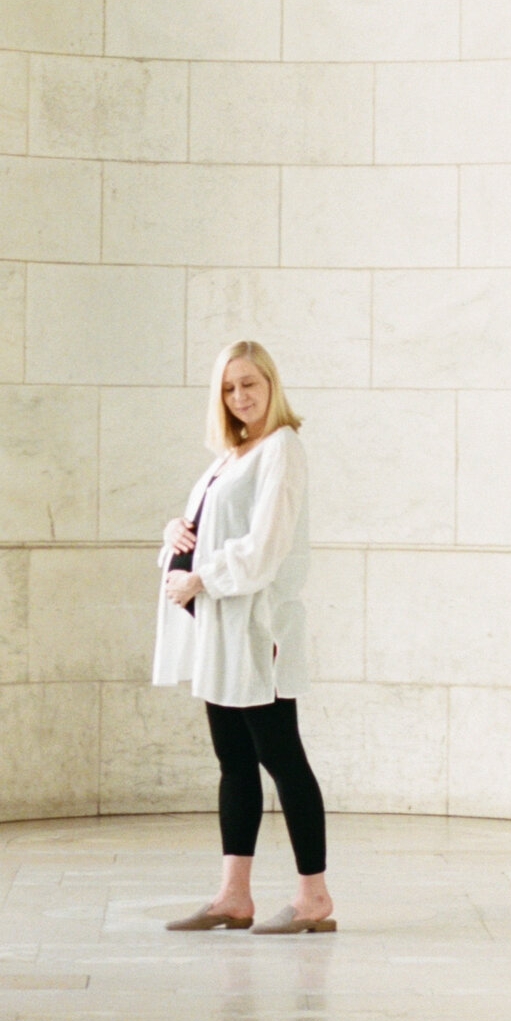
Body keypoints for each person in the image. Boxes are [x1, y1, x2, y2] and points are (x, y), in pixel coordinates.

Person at [152, 338, 333, 934]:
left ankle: (313, 899)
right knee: (233, 760)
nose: (239, 397)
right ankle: (234, 895)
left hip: (255, 626)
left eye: (249, 384)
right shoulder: (229, 457)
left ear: (271, 385)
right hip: (218, 628)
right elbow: (210, 530)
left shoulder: (282, 447)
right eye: (229, 388)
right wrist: (178, 531)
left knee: (282, 757)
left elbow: (265, 546)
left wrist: (202, 576)